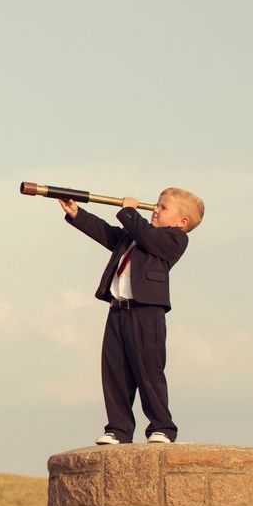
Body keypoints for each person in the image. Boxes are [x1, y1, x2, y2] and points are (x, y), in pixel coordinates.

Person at [59, 188, 204, 445]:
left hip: (146, 312)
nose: (155, 210)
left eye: (163, 207)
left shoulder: (174, 240)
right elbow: (108, 233)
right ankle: (118, 429)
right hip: (118, 310)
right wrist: (77, 214)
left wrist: (128, 211)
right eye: (156, 204)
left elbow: (147, 237)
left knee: (148, 370)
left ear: (182, 222)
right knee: (115, 371)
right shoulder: (135, 236)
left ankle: (162, 427)